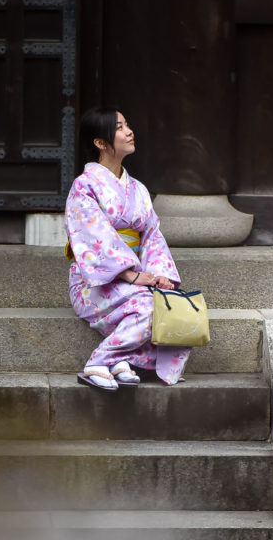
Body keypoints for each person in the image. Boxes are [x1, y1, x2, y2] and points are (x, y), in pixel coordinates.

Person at [65, 106, 191, 391]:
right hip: (93, 283)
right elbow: (95, 237)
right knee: (148, 306)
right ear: (100, 142)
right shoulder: (84, 186)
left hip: (134, 277)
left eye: (127, 125)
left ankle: (121, 360)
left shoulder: (138, 189)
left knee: (165, 303)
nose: (129, 131)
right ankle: (98, 362)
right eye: (120, 127)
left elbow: (152, 236)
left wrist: (158, 273)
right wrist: (132, 276)